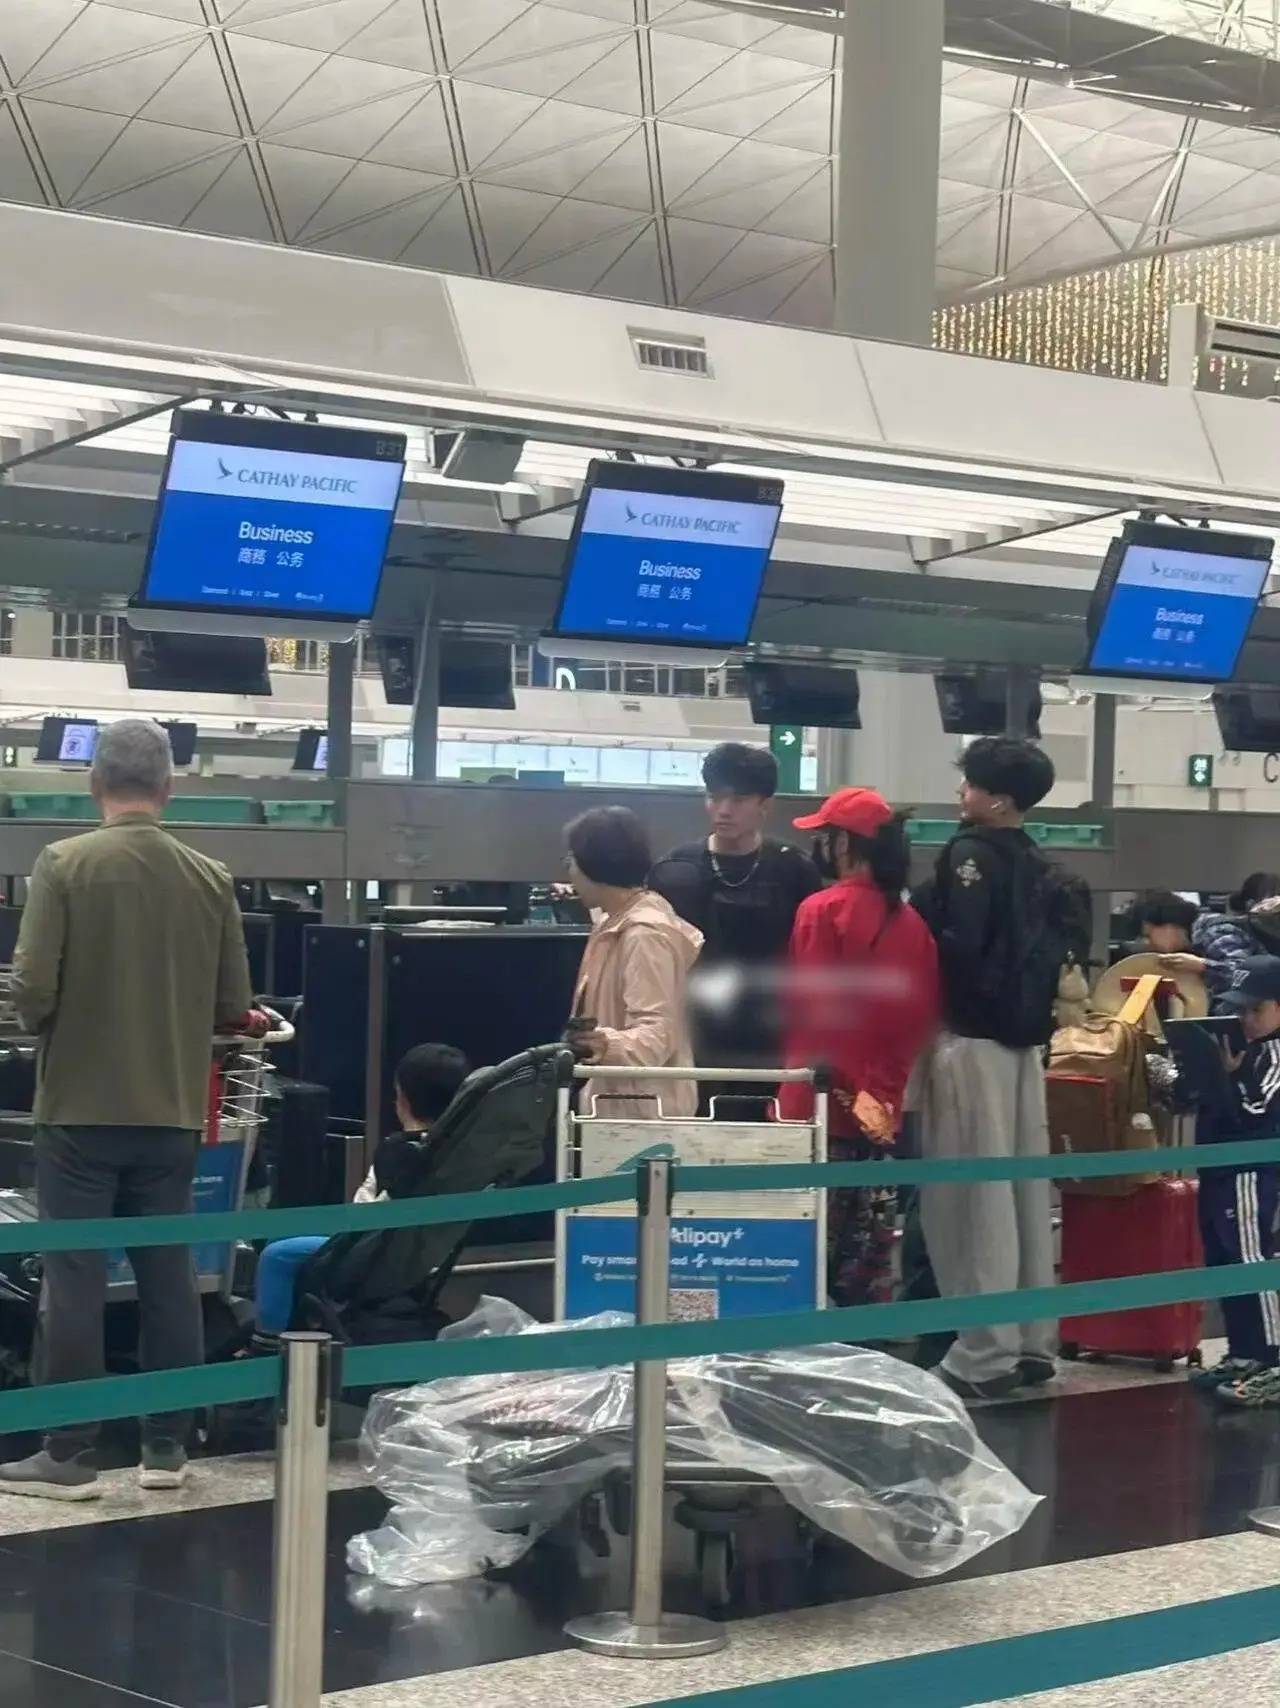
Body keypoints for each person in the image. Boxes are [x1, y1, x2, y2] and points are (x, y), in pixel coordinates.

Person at [1, 719, 253, 1500]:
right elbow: (234, 1002)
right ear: (169, 787)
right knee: (168, 1275)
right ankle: (166, 1448)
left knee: (74, 1276)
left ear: (93, 784)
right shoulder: (210, 877)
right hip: (173, 1110)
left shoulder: (64, 864)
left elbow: (32, 990)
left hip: (79, 1110)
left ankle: (69, 1453)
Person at [916, 735, 1064, 1401]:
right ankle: (1031, 1340)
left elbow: (959, 947)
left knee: (970, 1201)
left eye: (971, 783)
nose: (962, 792)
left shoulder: (969, 853)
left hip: (970, 1041)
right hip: (1024, 1046)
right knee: (1024, 1195)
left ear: (998, 798)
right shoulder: (1036, 859)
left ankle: (982, 1354)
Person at [778, 788, 939, 1306]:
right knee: (866, 1251)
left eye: (825, 836)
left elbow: (814, 1010)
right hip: (880, 1111)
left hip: (816, 1104)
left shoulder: (821, 910)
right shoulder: (912, 925)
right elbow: (915, 1023)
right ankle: (863, 1344)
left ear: (844, 843)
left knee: (802, 1253)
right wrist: (877, 1099)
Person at [252, 1043, 470, 1340]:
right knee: (283, 1238)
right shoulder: (454, 1155)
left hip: (366, 1256)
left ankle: (266, 1344)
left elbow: (369, 1220)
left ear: (402, 1098)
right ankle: (299, 1332)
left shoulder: (401, 1153)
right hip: (406, 1253)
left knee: (277, 1255)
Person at [650, 744, 820, 1109]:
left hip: (770, 1037)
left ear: (765, 805)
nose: (723, 810)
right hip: (696, 1034)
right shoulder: (675, 870)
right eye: (714, 797)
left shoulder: (794, 870)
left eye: (738, 800)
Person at [1180, 958, 1280, 1408]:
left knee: (1250, 1259)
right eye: (1240, 1011)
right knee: (1223, 1259)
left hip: (1248, 1171)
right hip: (1217, 1167)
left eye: (1256, 1010)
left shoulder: (1272, 1056)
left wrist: (1232, 1074)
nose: (1246, 1020)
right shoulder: (1242, 1049)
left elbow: (1255, 1110)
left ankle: (1272, 1358)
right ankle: (1244, 1352)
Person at [565, 806, 703, 1120]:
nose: (568, 871)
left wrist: (602, 1044)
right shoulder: (613, 921)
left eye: (571, 860)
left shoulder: (645, 934)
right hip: (617, 1106)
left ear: (594, 864)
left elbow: (656, 1036)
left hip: (644, 1115)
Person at [1188, 874, 1280, 1011]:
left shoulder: (1272, 935)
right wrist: (1204, 966)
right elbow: (1240, 975)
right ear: (1252, 905)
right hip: (1237, 1010)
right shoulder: (1226, 931)